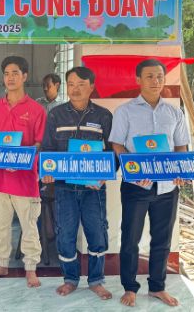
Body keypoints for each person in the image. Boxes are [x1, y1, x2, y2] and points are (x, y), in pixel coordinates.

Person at [109, 59, 190, 308]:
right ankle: (130, 288)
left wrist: (178, 170)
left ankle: (157, 287)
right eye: (149, 77)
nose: (155, 81)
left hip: (167, 187)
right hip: (137, 186)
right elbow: (117, 144)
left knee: (162, 239)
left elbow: (180, 147)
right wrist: (134, 170)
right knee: (130, 238)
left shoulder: (174, 113)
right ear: (138, 80)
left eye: (159, 76)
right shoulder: (125, 111)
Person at [40, 67, 113, 299]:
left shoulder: (103, 116)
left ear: (91, 86)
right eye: (71, 84)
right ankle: (70, 279)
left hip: (94, 189)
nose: (75, 88)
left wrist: (103, 176)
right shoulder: (56, 115)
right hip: (64, 188)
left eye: (81, 84)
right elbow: (48, 150)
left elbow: (114, 152)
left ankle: (96, 280)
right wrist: (47, 172)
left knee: (97, 233)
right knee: (65, 235)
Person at [0, 56, 46, 288]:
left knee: (29, 225)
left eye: (15, 73)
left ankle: (31, 267)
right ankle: (1, 263)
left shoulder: (36, 110)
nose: (10, 77)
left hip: (25, 180)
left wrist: (20, 160)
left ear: (24, 76)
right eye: (7, 73)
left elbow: (40, 143)